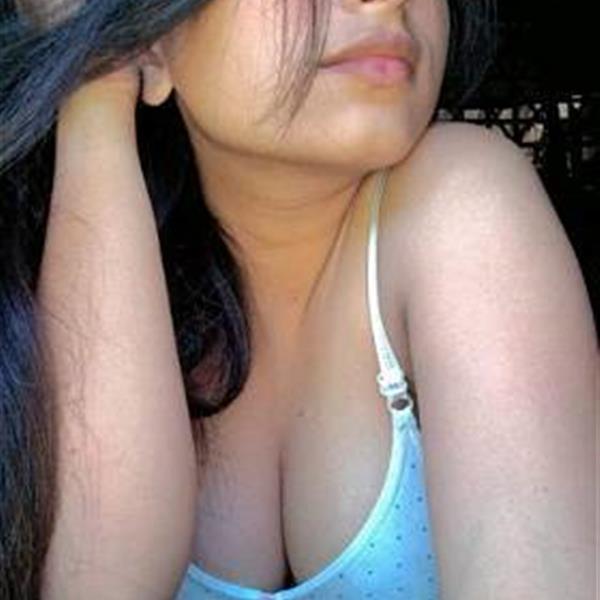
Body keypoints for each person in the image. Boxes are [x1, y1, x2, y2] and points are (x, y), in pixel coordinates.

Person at [0, 0, 597, 598]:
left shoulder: (465, 203)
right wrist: (95, 91)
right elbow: (98, 582)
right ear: (154, 40)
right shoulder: (72, 264)